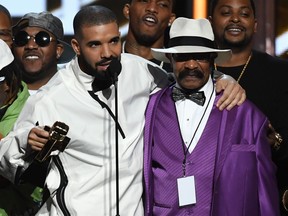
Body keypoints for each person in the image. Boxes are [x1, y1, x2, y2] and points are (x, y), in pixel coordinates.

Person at [0, 6, 245, 216]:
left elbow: (184, 79)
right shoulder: (51, 97)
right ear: (75, 46)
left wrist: (221, 77)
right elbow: (5, 158)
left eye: (113, 41)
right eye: (94, 44)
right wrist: (26, 140)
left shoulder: (140, 71)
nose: (107, 53)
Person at [143, 17, 279, 216]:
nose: (191, 65)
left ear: (212, 59)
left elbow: (265, 195)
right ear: (170, 59)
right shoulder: (151, 106)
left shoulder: (245, 114)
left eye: (200, 56)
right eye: (182, 57)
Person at [208, 0, 288, 214]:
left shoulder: (280, 73)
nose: (235, 18)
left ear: (255, 24)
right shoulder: (195, 72)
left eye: (244, 13)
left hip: (262, 198)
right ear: (210, 22)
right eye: (226, 12)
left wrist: (275, 141)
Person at [123, 0, 246, 111]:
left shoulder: (183, 69)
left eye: (162, 4)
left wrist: (225, 79)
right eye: (144, 0)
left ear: (171, 18)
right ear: (127, 10)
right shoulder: (108, 63)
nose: (152, 8)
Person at [12, 11, 75, 95]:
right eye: (22, 38)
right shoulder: (3, 91)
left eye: (42, 39)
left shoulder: (76, 92)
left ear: (58, 50)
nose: (30, 46)